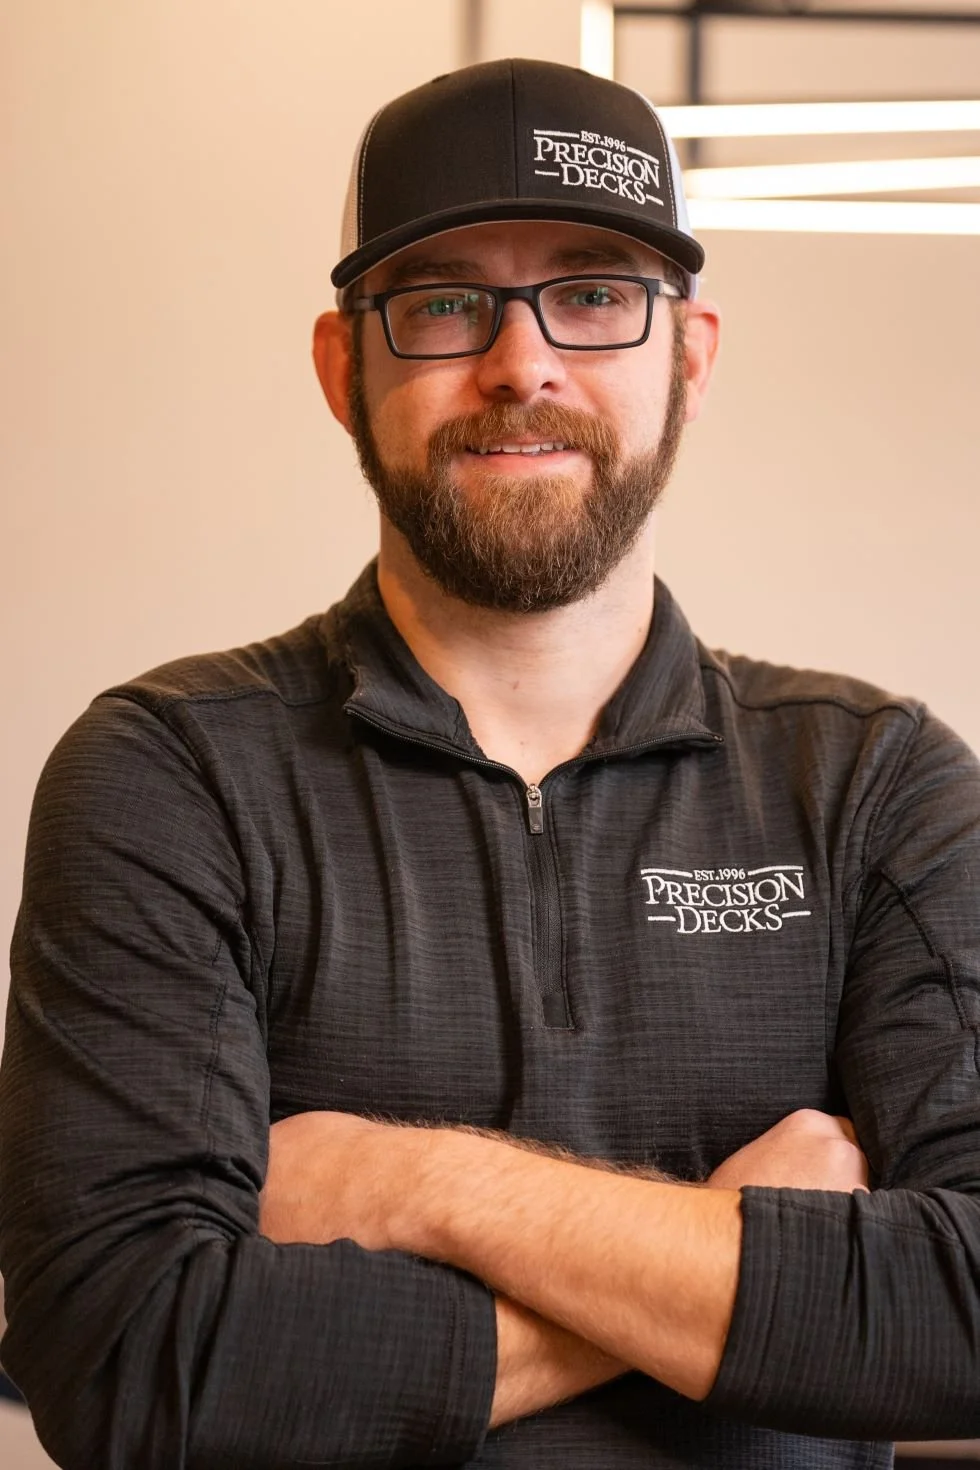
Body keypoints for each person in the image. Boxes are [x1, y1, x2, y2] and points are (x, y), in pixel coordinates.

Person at [1, 55, 978, 1470]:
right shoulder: (169, 778)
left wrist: (417, 1183)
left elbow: (962, 1311)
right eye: (446, 301)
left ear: (689, 356)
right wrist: (728, 1244)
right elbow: (131, 1365)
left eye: (593, 293)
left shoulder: (875, 787)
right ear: (346, 369)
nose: (522, 363)